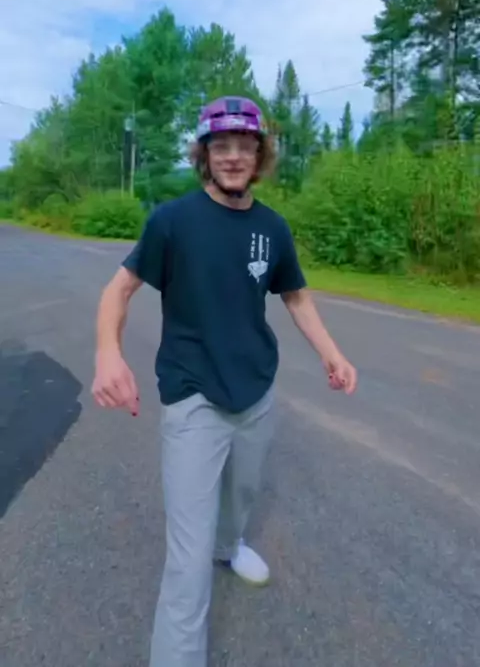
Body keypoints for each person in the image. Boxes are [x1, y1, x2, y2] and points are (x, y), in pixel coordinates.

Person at [92, 96, 357, 667]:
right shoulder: (172, 222)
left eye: (245, 146)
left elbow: (295, 296)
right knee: (186, 564)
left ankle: (230, 546)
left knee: (240, 497)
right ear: (205, 155)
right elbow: (119, 289)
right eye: (222, 146)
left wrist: (332, 354)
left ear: (259, 156)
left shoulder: (272, 228)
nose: (234, 156)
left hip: (255, 389)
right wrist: (108, 353)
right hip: (193, 396)